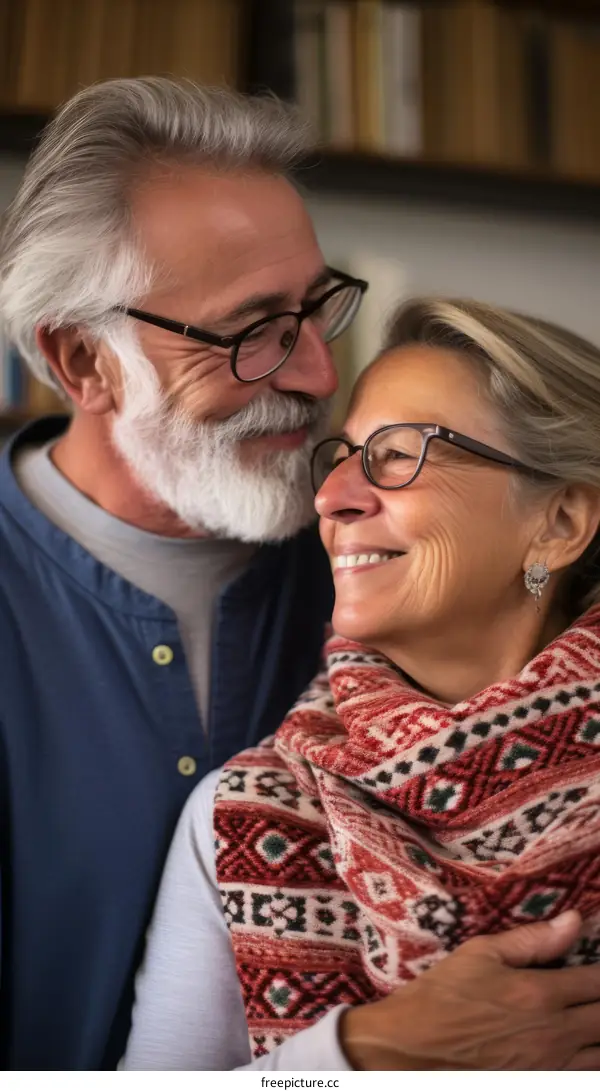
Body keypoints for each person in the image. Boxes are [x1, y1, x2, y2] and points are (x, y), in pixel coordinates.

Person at [0, 77, 372, 1069]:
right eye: (252, 331)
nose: (317, 376)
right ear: (85, 360)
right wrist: (368, 1055)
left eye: (315, 308)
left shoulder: (386, 566)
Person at [123, 298, 600, 1071]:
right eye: (342, 454)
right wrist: (361, 1054)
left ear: (561, 520)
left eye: (400, 452)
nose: (332, 496)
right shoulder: (242, 818)